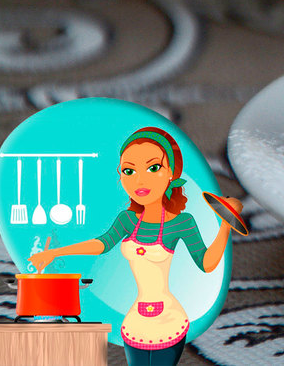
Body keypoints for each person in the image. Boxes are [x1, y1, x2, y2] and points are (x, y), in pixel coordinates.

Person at [29, 126, 242, 366]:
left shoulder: (183, 222)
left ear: (171, 173)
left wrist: (224, 227)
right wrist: (54, 252)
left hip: (168, 319)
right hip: (135, 320)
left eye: (153, 168)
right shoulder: (127, 219)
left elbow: (206, 263)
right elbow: (101, 244)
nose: (139, 180)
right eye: (129, 171)